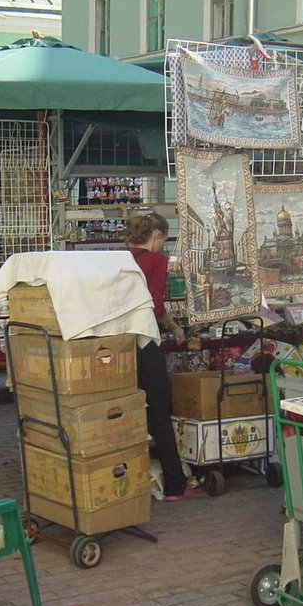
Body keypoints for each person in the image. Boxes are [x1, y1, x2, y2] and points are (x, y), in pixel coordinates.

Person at [126, 213, 193, 501]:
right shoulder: (156, 262)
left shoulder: (121, 260)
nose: (163, 246)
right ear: (156, 236)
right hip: (145, 341)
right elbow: (154, 305)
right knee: (159, 408)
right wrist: (175, 327)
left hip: (121, 342)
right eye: (163, 240)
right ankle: (175, 484)